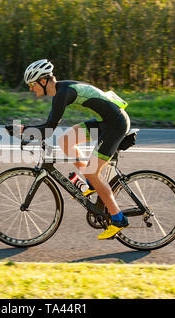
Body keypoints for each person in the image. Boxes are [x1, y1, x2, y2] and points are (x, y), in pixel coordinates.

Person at [8, 59, 130, 240]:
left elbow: (48, 129)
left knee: (92, 172)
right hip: (105, 121)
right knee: (66, 140)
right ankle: (90, 185)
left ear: (43, 81)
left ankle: (118, 219)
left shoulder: (62, 93)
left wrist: (23, 130)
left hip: (115, 124)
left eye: (32, 85)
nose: (31, 89)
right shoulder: (61, 90)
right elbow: (50, 128)